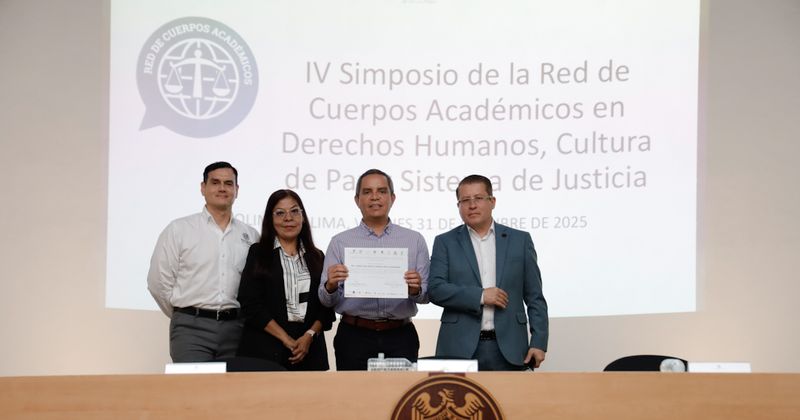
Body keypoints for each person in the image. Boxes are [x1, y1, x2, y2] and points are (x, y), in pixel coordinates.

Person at [428, 174, 548, 371]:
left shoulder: (520, 241)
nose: (472, 205)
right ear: (458, 206)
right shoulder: (445, 242)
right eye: (465, 200)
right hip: (458, 347)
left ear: (492, 201)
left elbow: (535, 296)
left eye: (478, 198)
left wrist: (539, 341)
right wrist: (481, 296)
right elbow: (435, 289)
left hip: (509, 348)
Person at [318, 169, 430, 370]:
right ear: (357, 200)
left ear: (392, 198)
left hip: (400, 336)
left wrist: (415, 289)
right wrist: (330, 286)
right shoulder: (340, 242)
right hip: (354, 336)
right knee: (352, 391)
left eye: (382, 191)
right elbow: (326, 300)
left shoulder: (414, 240)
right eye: (367, 191)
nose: (375, 197)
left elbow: (426, 296)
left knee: (401, 391)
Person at [147, 162, 259, 362]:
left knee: (235, 383)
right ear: (203, 187)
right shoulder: (179, 230)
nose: (222, 188)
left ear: (237, 190)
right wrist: (185, 314)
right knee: (193, 383)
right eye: (215, 183)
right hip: (191, 329)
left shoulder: (251, 235)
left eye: (228, 183)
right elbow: (158, 282)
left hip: (237, 330)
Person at [236, 189, 335, 370]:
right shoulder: (258, 253)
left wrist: (309, 335)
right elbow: (250, 303)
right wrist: (286, 339)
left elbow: (326, 307)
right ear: (270, 219)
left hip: (310, 351)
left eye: (294, 211)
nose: (288, 218)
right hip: (265, 350)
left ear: (303, 217)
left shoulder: (317, 257)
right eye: (280, 213)